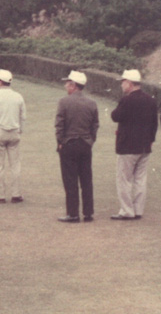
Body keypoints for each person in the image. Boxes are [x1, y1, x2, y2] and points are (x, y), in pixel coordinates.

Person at [109, 70, 158, 220]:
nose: (122, 85)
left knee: (124, 179)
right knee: (140, 179)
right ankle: (138, 210)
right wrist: (150, 140)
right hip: (144, 146)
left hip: (128, 146)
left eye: (123, 82)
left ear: (129, 83)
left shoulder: (127, 100)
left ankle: (126, 211)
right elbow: (155, 124)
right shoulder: (150, 99)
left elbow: (115, 116)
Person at [55, 70, 99, 223]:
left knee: (70, 180)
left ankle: (73, 214)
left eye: (68, 83)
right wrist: (91, 140)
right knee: (86, 179)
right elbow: (95, 125)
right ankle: (88, 213)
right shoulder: (92, 103)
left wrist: (60, 142)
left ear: (73, 85)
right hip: (85, 144)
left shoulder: (64, 102)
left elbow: (59, 125)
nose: (66, 86)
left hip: (69, 144)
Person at [0, 69, 26, 203]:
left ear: (1, 82)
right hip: (14, 133)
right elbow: (23, 117)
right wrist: (20, 131)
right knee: (15, 165)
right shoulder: (18, 96)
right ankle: (16, 194)